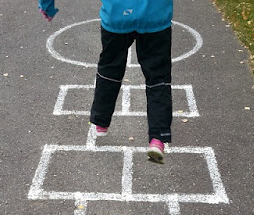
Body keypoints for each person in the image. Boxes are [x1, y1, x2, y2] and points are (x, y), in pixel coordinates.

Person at [38, 0, 174, 163]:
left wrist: (46, 5)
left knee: (110, 67)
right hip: (155, 15)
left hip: (117, 13)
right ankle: (158, 138)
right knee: (158, 76)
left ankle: (101, 121)